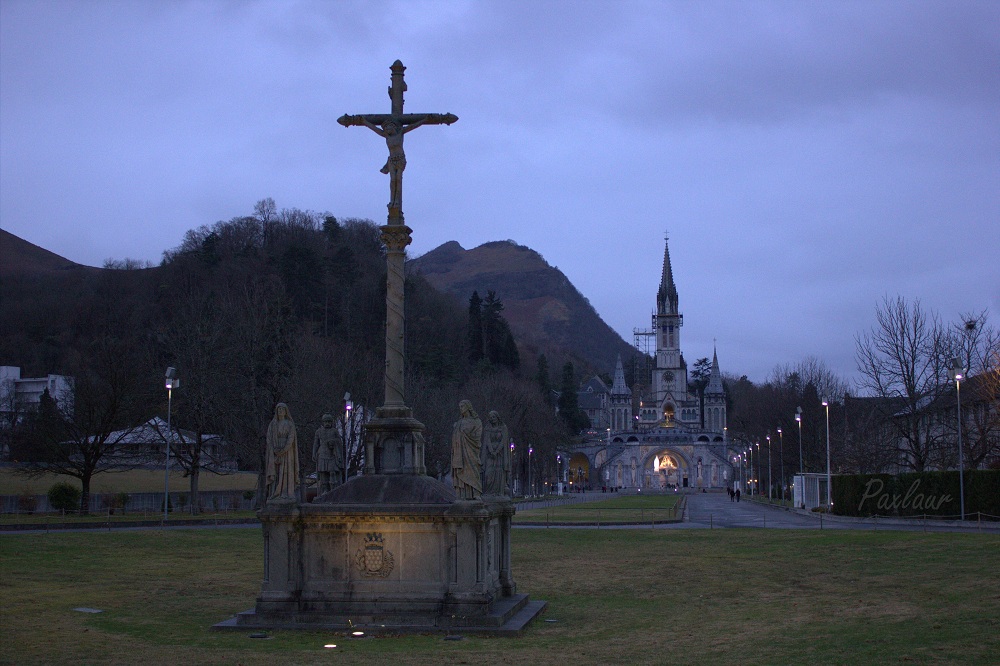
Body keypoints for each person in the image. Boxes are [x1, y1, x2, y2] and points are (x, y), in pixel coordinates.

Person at [266, 403, 299, 502]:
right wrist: (274, 449)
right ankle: (275, 493)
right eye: (279, 409)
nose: (280, 411)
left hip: (287, 451)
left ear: (285, 411)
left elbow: (291, 438)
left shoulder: (289, 424)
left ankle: (286, 493)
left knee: (286, 471)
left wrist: (284, 449)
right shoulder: (273, 424)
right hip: (275, 451)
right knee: (276, 472)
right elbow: (269, 438)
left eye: (282, 409)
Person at [451, 400, 483, 500]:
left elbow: (477, 436)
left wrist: (466, 436)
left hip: (471, 450)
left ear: (468, 407)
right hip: (460, 451)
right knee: (462, 470)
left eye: (462, 406)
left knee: (473, 470)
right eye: (460, 407)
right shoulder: (459, 423)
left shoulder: (476, 422)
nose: (461, 408)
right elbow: (454, 437)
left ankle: (475, 492)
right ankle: (462, 494)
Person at [481, 411, 511, 497]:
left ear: (497, 417)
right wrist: (491, 451)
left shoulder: (503, 428)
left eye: (493, 417)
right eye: (490, 417)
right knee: (488, 474)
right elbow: (487, 441)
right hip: (490, 455)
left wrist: (497, 451)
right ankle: (488, 492)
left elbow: (504, 441)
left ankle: (499, 493)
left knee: (499, 473)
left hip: (500, 455)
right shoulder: (487, 428)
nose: (492, 419)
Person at [313, 413, 343, 495]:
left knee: (332, 472)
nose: (327, 423)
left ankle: (334, 490)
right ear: (323, 422)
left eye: (329, 422)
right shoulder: (318, 431)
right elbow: (316, 444)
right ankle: (324, 491)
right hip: (322, 454)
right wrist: (314, 453)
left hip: (332, 454)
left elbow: (339, 442)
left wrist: (334, 442)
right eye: (325, 421)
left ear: (331, 422)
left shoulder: (334, 431)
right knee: (323, 473)